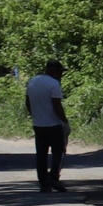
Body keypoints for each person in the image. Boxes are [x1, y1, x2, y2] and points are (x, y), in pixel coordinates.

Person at [25, 60, 69, 193]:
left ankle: (43, 183)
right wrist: (65, 121)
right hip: (53, 124)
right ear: (54, 70)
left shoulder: (33, 81)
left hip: (38, 125)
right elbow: (56, 104)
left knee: (41, 154)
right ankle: (53, 177)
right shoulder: (53, 83)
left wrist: (36, 115)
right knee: (59, 151)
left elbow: (27, 102)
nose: (61, 75)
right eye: (61, 72)